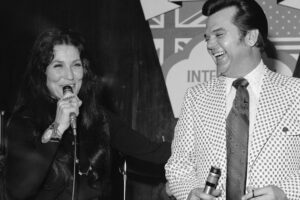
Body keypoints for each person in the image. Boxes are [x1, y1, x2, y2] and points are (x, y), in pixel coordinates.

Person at [5, 28, 170, 200]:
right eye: (58, 66)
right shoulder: (24, 121)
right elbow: (18, 190)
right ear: (42, 72)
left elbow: (153, 151)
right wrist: (58, 128)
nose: (69, 76)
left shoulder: (99, 117)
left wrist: (198, 149)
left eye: (76, 65)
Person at [165, 0, 300, 200]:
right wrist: (190, 193)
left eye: (219, 35)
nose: (210, 45)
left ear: (251, 36)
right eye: (207, 38)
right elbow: (178, 167)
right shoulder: (196, 97)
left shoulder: (296, 94)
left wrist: (287, 193)